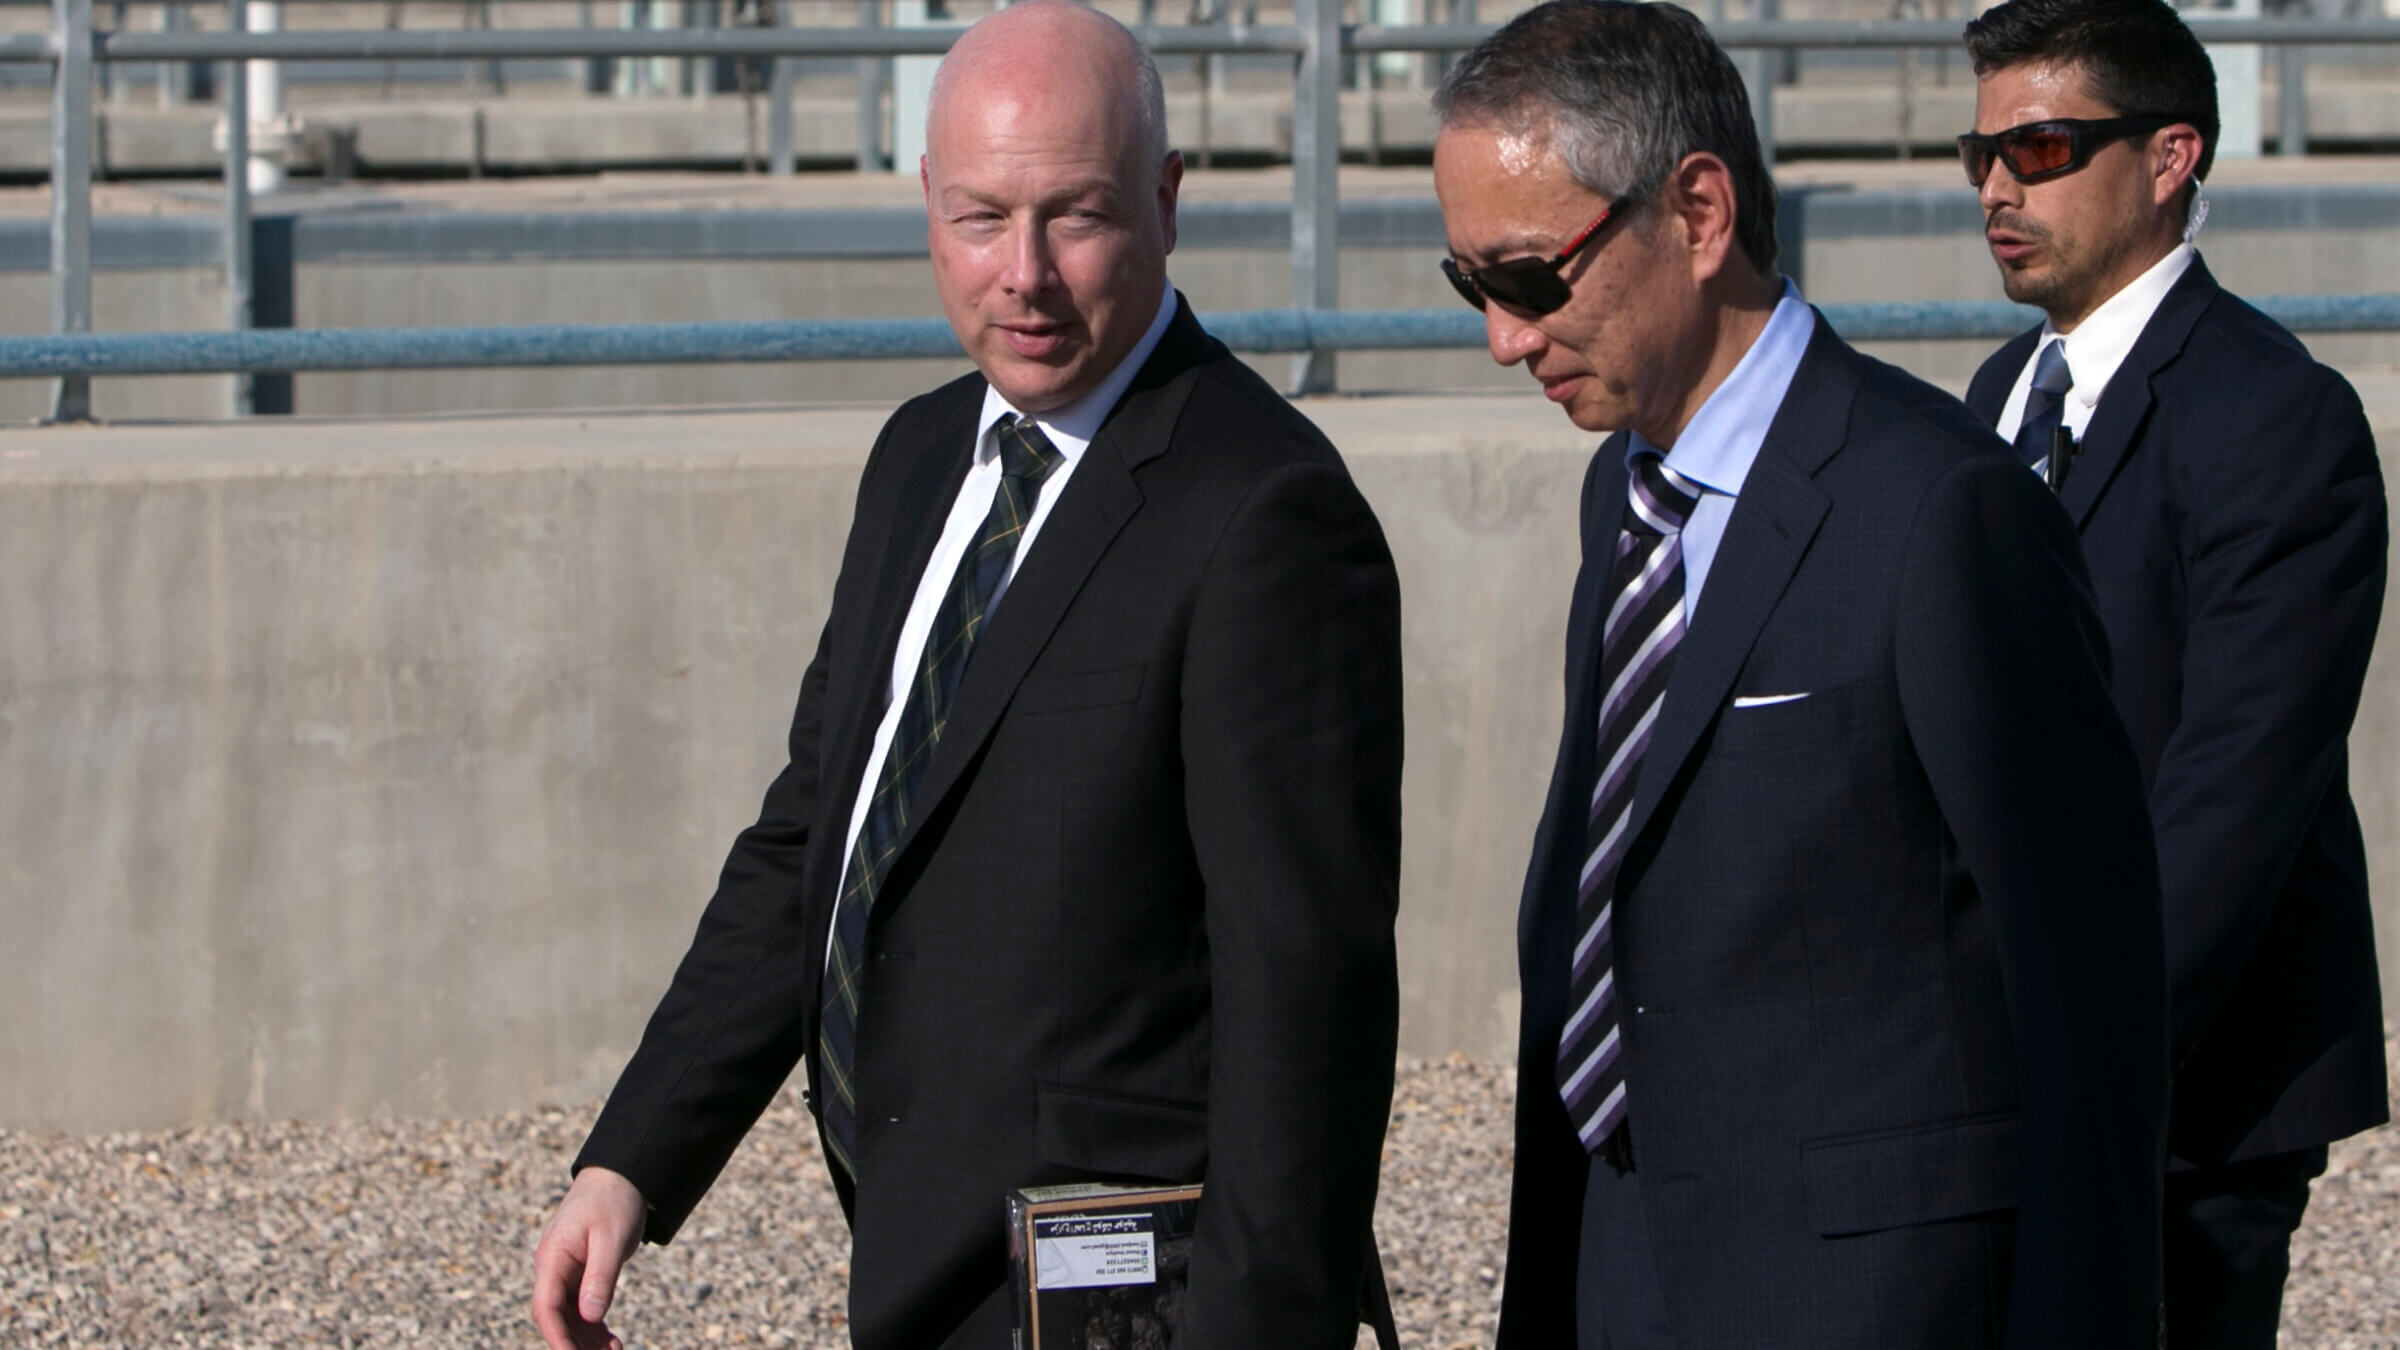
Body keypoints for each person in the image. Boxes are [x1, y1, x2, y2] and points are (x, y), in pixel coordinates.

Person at [527, 5, 1406, 1348]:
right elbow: (814, 835)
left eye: (1078, 216)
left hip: (1125, 1305)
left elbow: (1309, 1011)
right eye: (984, 217)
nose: (1026, 274)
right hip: (920, 1261)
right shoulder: (923, 458)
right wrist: (633, 1159)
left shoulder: (1265, 511)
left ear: (1166, 204)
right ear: (925, 203)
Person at [1432, 3, 2169, 1345]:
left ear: (1698, 212)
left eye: (1533, 279)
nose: (1502, 336)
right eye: (1468, 284)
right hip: (1626, 1274)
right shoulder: (1626, 497)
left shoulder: (1942, 511)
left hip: (1872, 1301)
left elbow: (2087, 999)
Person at [1958, 1, 2390, 1343]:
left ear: (2170, 156)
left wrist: (2060, 1050)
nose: (1995, 188)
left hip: (2187, 1094)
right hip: (2007, 1072)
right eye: (1979, 153)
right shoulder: (1993, 397)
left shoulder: (2276, 414)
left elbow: (2235, 793)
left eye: (2040, 148)